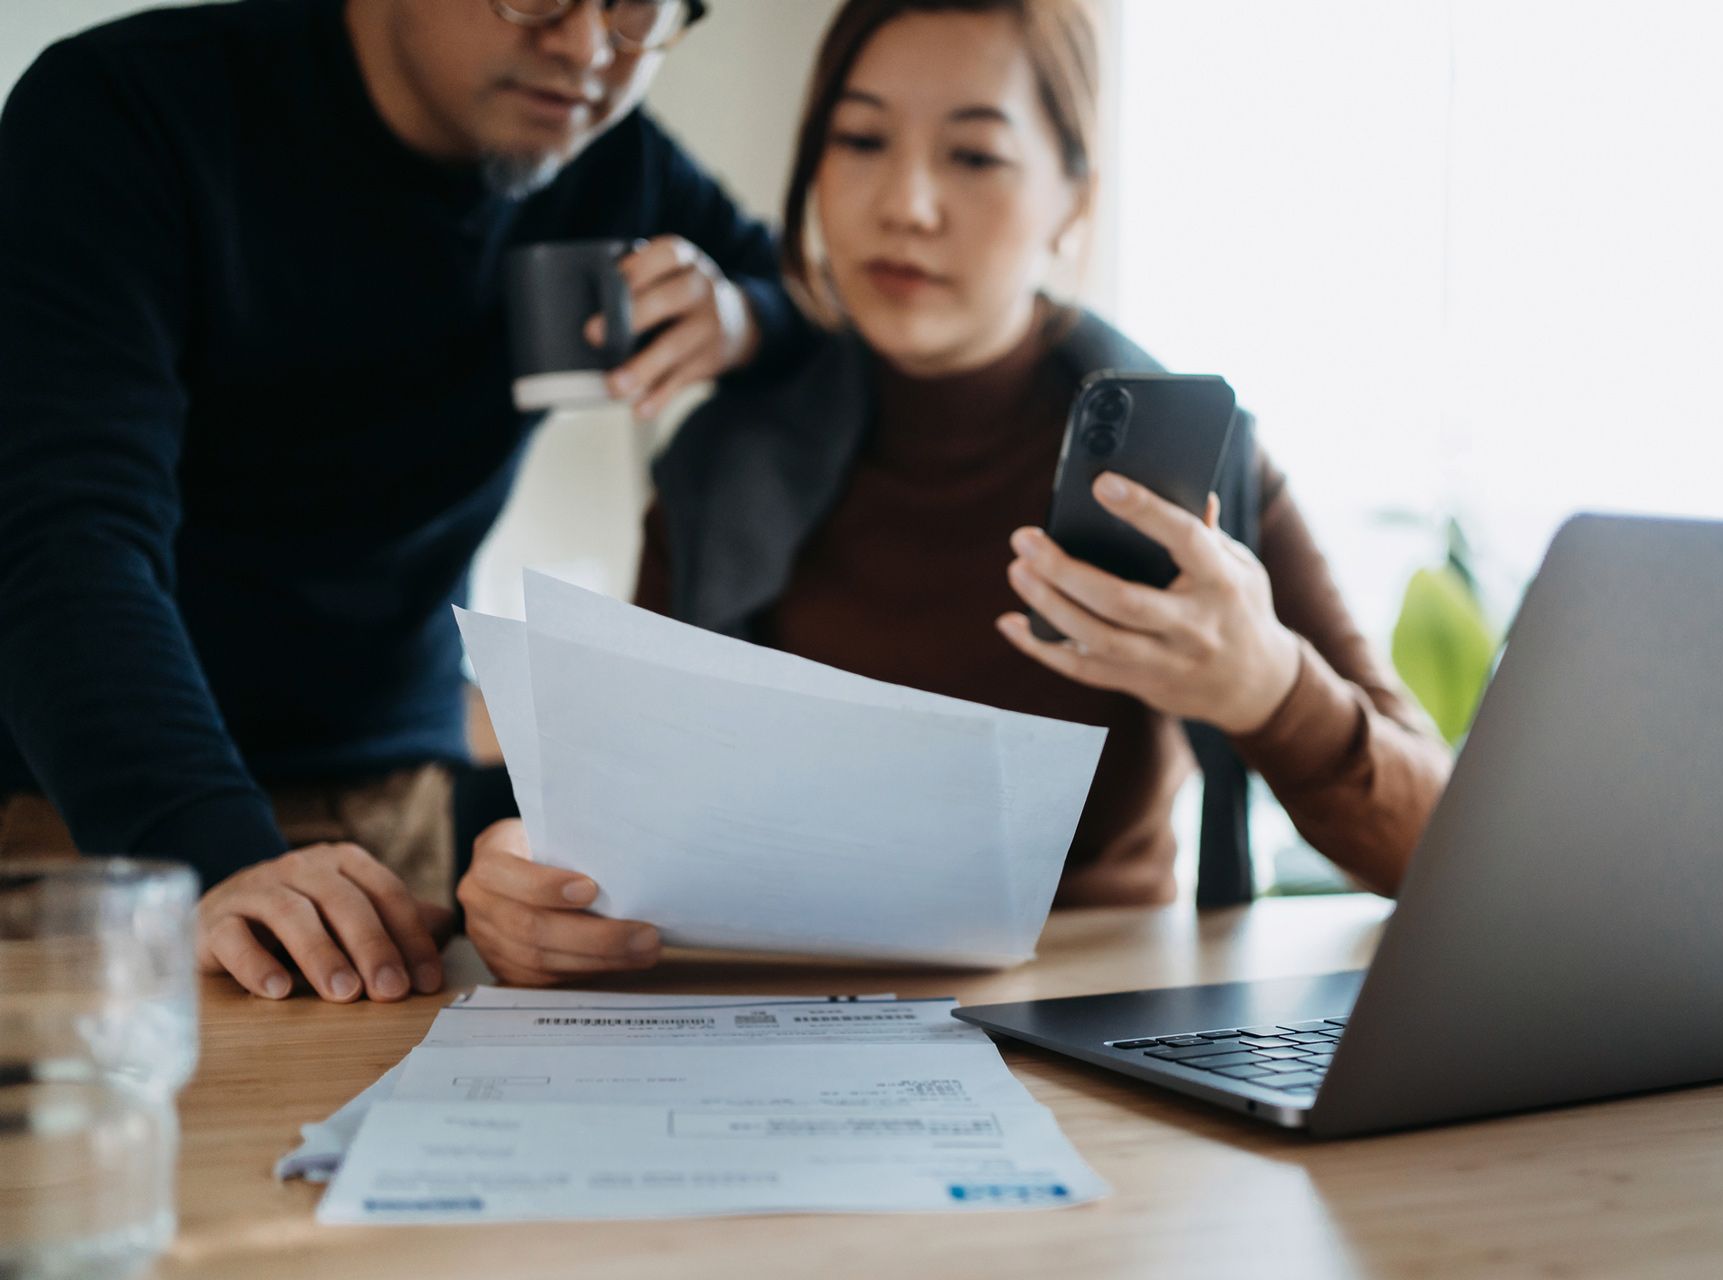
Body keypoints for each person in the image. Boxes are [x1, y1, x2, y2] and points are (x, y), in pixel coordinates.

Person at [456, 0, 1452, 987]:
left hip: (1102, 1025)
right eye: (860, 140)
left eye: (974, 155)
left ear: (1075, 198)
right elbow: (624, 817)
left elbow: (1436, 852)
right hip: (798, 1027)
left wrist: (1272, 688)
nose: (907, 204)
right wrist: (526, 874)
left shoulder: (1188, 465)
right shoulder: (720, 464)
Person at [0, 0, 807, 1003]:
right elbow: (65, 530)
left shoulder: (614, 164)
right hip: (88, 807)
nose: (588, 48)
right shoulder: (129, 111)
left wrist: (750, 318)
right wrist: (203, 843)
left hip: (392, 812)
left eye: (639, 8)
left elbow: (812, 294)